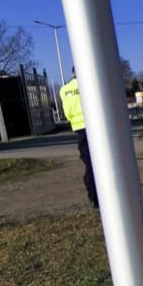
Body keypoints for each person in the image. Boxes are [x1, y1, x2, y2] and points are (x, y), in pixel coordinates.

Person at [60, 71, 98, 208]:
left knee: (89, 164)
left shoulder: (65, 89)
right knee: (99, 163)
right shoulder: (90, 84)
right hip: (95, 125)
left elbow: (67, 113)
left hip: (79, 128)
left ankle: (93, 197)